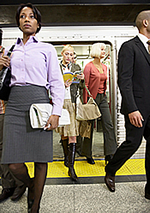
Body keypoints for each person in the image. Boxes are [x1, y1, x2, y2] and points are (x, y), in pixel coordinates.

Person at [0, 3, 65, 213]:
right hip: (15, 104)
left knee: (40, 157)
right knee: (13, 163)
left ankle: (35, 204)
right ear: (18, 22)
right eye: (22, 16)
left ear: (38, 23)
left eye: (31, 16)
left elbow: (56, 82)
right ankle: (30, 186)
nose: (26, 19)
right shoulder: (11, 50)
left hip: (39, 101)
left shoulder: (46, 49)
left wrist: (56, 111)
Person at [105, 10, 150, 200]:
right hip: (137, 107)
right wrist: (132, 108)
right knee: (133, 142)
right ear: (145, 23)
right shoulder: (129, 47)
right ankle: (111, 169)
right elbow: (124, 80)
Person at [79, 43, 117, 165]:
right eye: (102, 50)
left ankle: (109, 154)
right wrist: (86, 103)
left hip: (103, 98)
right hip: (91, 98)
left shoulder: (105, 67)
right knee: (89, 127)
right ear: (96, 51)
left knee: (108, 125)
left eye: (104, 50)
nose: (104, 52)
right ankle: (87, 153)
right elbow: (85, 86)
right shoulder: (88, 67)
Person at [0, 32, 26, 203]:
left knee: (7, 148)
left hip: (4, 108)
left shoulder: (8, 55)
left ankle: (20, 183)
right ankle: (7, 184)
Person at [56, 44, 85, 181]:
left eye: (71, 54)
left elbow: (81, 87)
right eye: (67, 54)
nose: (69, 56)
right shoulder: (56, 67)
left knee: (73, 134)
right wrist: (62, 85)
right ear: (62, 54)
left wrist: (82, 79)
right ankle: (66, 158)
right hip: (61, 103)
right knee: (64, 134)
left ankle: (71, 168)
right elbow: (50, 84)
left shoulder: (76, 68)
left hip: (72, 102)